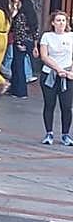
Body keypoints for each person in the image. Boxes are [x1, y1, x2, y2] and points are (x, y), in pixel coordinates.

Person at [39, 10, 73, 145]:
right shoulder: (47, 36)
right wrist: (58, 69)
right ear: (53, 23)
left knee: (66, 106)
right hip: (50, 74)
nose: (61, 23)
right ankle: (49, 133)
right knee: (49, 104)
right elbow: (44, 56)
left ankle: (65, 134)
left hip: (68, 75)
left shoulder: (71, 36)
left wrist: (70, 71)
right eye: (58, 20)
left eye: (63, 20)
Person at [7, 0, 39, 98]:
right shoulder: (32, 16)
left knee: (18, 66)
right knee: (17, 64)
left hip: (21, 42)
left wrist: (19, 43)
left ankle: (20, 91)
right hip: (29, 42)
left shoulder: (21, 16)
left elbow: (18, 31)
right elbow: (35, 32)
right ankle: (15, 88)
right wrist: (35, 46)